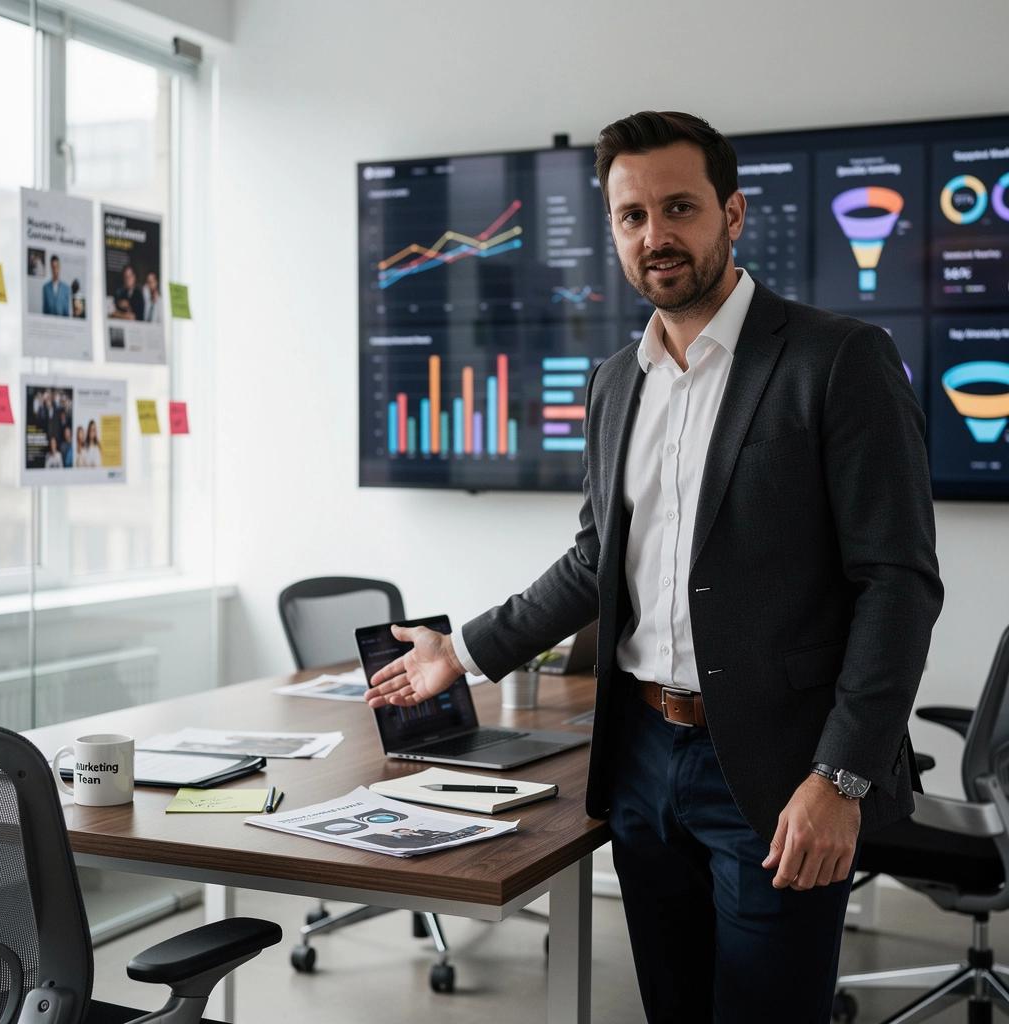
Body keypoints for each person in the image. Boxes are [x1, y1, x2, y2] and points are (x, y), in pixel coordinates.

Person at [365, 111, 943, 1023]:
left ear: (734, 214)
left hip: (778, 770)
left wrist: (841, 779)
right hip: (640, 760)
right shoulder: (614, 381)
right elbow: (598, 557)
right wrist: (465, 651)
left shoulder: (837, 361)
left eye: (679, 207)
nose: (655, 235)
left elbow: (897, 586)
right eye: (631, 216)